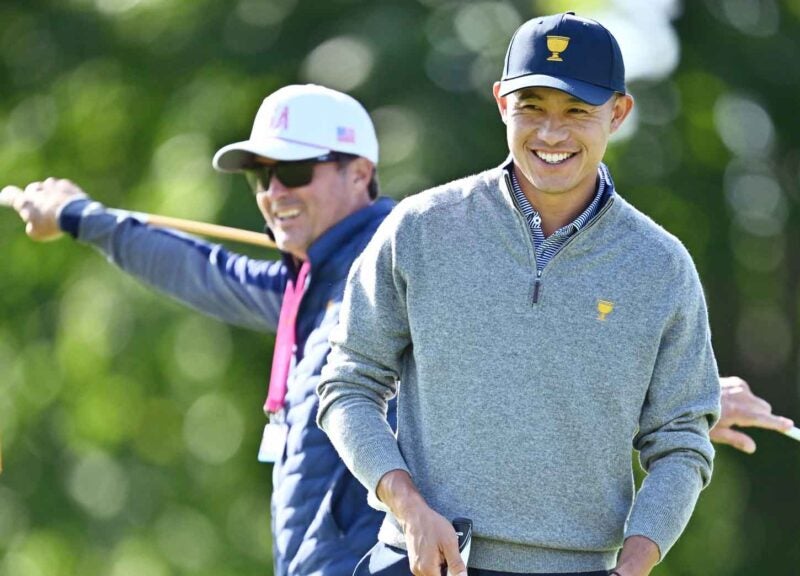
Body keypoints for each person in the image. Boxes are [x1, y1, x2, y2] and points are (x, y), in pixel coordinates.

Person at [318, 13, 726, 576]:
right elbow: (348, 383)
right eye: (532, 107)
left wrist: (636, 561)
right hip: (421, 562)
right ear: (501, 103)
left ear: (619, 112)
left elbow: (681, 440)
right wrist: (408, 507)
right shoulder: (420, 228)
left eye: (577, 111)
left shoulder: (660, 267)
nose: (551, 134)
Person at [10, 84, 394, 575]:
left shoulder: (396, 273)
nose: (275, 193)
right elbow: (202, 271)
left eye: (295, 171)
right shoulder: (306, 287)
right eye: (262, 176)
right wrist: (80, 216)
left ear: (360, 173)